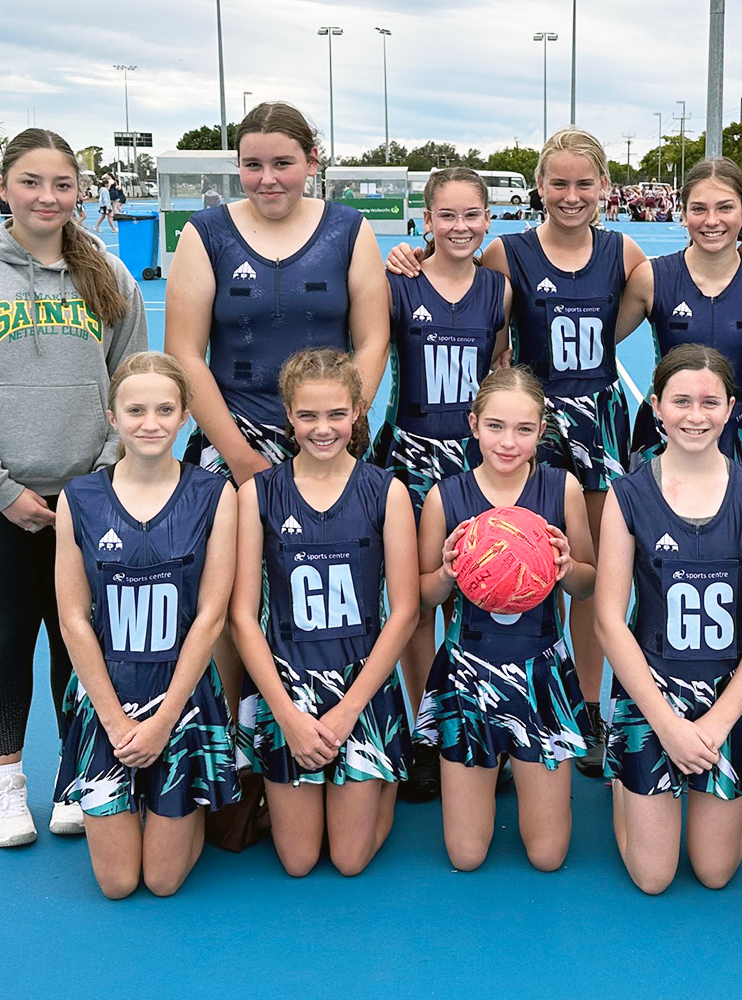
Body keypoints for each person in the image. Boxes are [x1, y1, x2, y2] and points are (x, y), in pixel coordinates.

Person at [388, 130, 742, 779]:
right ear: (540, 187)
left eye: (583, 184)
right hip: (527, 421)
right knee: (476, 558)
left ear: (603, 188)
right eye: (558, 184)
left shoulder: (623, 253)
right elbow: (464, 292)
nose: (571, 195)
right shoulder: (507, 255)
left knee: (582, 565)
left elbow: (632, 315)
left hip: (595, 418)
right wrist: (416, 249)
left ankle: (587, 705)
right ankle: (453, 713)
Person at [0, 127, 149, 849]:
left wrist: (102, 479)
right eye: (31, 182)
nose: (47, 197)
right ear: (2, 187)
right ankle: (7, 785)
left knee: (77, 640)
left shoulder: (110, 277)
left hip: (88, 500)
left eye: (61, 183)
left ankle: (75, 778)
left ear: (80, 191)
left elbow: (134, 385)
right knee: (11, 633)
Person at [165, 100, 390, 718]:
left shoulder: (349, 229)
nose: (268, 178)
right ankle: (237, 736)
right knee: (228, 592)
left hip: (325, 438)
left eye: (283, 163)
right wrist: (238, 458)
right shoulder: (204, 233)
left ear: (312, 162)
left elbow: (372, 341)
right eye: (253, 165)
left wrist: (342, 428)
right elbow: (184, 351)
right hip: (233, 438)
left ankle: (335, 712)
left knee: (325, 584)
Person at [596, 345, 742, 894]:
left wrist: (718, 722)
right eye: (680, 401)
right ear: (656, 405)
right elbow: (609, 619)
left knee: (714, 871)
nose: (695, 415)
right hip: (652, 691)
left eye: (709, 402)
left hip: (727, 695)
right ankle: (624, 778)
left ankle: (682, 784)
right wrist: (667, 724)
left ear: (731, 408)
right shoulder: (627, 494)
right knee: (653, 877)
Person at [54, 351, 242, 898]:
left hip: (181, 701)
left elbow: (211, 617)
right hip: (108, 696)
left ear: (184, 415)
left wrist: (161, 723)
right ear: (112, 417)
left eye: (165, 409)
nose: (151, 423)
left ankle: (187, 804)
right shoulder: (80, 498)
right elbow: (73, 618)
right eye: (135, 410)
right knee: (116, 883)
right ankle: (142, 797)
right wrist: (114, 722)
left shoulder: (213, 494)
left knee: (161, 881)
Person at [231, 347, 419, 877]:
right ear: (288, 415)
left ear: (358, 411)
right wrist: (288, 717)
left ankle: (385, 770)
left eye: (336, 414)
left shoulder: (387, 491)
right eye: (308, 415)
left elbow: (403, 611)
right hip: (287, 686)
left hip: (362, 688)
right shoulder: (258, 494)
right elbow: (243, 616)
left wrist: (348, 711)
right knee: (298, 860)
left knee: (349, 859)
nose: (323, 428)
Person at [415, 365, 596, 870]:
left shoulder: (562, 490)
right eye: (495, 426)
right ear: (473, 425)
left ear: (543, 430)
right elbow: (423, 598)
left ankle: (520, 763)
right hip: (466, 674)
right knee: (466, 855)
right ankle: (492, 761)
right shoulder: (444, 497)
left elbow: (589, 583)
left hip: (541, 675)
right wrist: (448, 574)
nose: (508, 443)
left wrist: (565, 568)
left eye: (524, 429)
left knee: (547, 856)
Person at [368, 167, 510, 802]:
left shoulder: (499, 292)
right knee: (420, 597)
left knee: (482, 590)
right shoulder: (397, 283)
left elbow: (503, 366)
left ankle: (481, 720)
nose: (459, 227)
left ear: (488, 220)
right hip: (410, 454)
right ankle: (428, 732)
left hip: (478, 461)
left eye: (471, 216)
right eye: (446, 216)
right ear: (425, 220)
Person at [617, 157, 742, 475]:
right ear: (683, 214)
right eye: (698, 209)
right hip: (662, 433)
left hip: (738, 435)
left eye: (725, 208)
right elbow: (597, 340)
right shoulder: (651, 277)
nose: (712, 221)